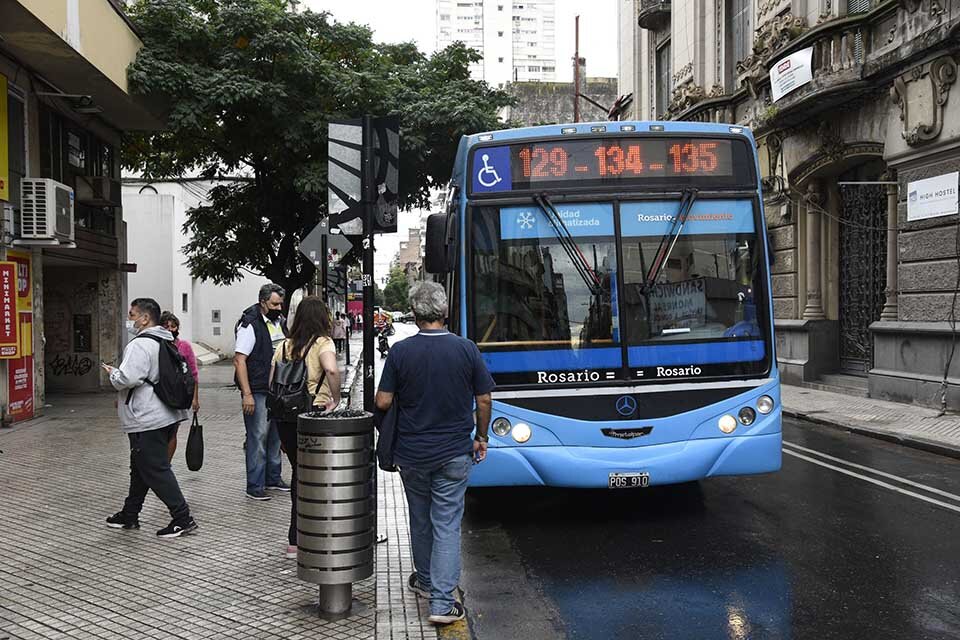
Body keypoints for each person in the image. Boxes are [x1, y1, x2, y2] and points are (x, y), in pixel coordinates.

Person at [375, 282, 495, 625]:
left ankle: (425, 582)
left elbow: (383, 401)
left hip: (411, 453)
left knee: (420, 517)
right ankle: (442, 603)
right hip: (454, 452)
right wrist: (481, 436)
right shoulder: (466, 349)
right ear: (444, 313)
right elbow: (484, 398)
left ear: (414, 315)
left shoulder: (400, 352)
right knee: (446, 523)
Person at [102, 298, 198, 538]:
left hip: (146, 417)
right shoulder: (166, 340)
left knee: (155, 468)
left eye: (132, 314)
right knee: (140, 467)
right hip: (166, 413)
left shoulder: (140, 344)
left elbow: (127, 379)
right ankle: (130, 513)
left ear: (145, 318)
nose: (129, 319)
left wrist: (113, 373)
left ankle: (182, 517)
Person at [270, 296, 341, 559]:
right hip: (314, 413)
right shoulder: (323, 342)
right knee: (316, 475)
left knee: (299, 472)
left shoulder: (285, 345)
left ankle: (294, 539)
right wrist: (336, 398)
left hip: (285, 417)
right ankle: (310, 536)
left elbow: (271, 378)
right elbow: (331, 370)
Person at [234, 283, 290, 501]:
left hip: (277, 389)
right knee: (257, 436)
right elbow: (240, 360)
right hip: (257, 389)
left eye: (280, 303)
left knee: (275, 436)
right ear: (263, 302)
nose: (279, 307)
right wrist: (247, 394)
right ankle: (255, 484)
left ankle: (273, 477)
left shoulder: (280, 322)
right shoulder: (250, 324)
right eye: (275, 303)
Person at [160, 311, 200, 462]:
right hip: (161, 395)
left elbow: (193, 374)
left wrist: (195, 399)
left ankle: (166, 464)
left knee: (173, 431)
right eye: (166, 326)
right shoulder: (156, 346)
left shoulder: (184, 346)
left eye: (173, 326)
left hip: (179, 395)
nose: (170, 329)